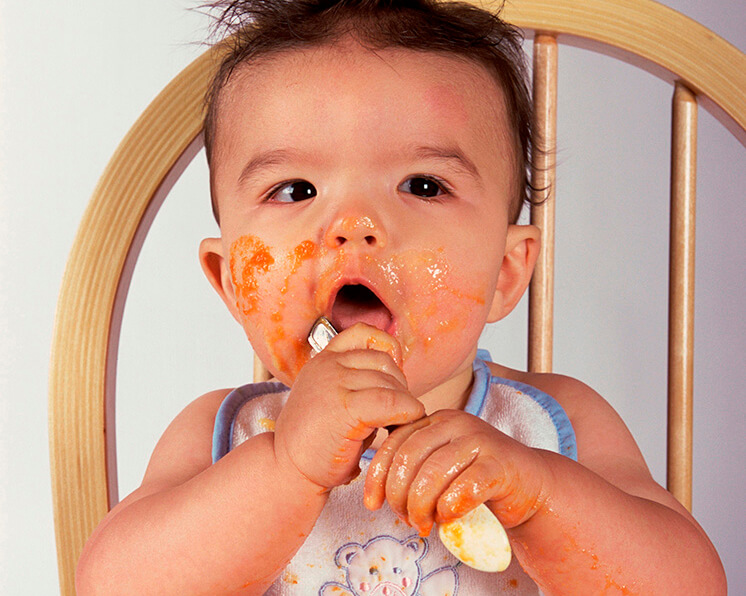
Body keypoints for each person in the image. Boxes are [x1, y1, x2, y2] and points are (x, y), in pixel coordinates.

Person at [76, 0, 726, 593]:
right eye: (296, 190)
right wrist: (287, 468)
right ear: (229, 281)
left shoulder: (553, 425)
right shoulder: (225, 435)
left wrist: (538, 498)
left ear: (505, 271)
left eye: (422, 185)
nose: (354, 224)